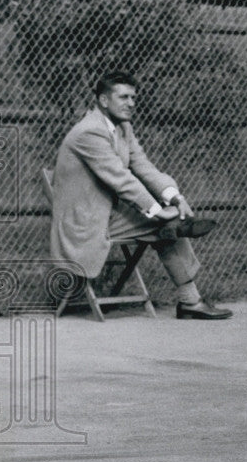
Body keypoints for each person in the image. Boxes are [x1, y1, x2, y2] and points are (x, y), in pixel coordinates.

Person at [50, 70, 232, 320]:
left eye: (133, 98)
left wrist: (174, 198)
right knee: (163, 225)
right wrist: (157, 210)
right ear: (104, 100)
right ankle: (189, 298)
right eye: (124, 97)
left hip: (109, 213)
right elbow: (120, 178)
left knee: (165, 225)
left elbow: (144, 167)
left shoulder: (123, 128)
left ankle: (177, 233)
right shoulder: (88, 132)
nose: (131, 104)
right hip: (84, 221)